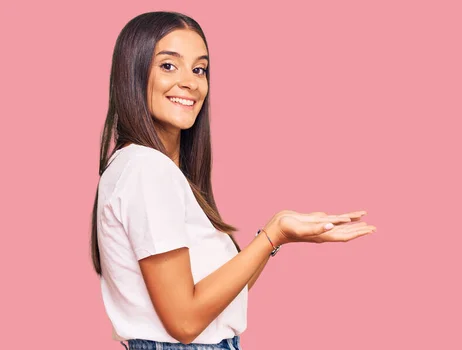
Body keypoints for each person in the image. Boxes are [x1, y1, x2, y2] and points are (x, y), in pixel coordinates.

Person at [90, 11, 376, 350]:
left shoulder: (134, 166)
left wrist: (276, 237)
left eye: (199, 69)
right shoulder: (148, 170)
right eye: (169, 65)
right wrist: (273, 233)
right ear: (132, 74)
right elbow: (185, 321)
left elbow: (213, 301)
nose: (190, 82)